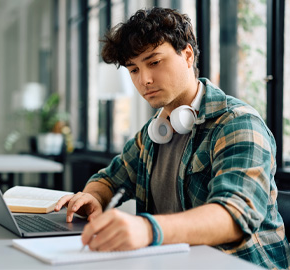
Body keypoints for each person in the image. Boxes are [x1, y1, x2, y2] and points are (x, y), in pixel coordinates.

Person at [55, 7, 289, 269]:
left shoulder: (238, 124)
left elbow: (234, 216)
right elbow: (108, 178)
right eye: (134, 69)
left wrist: (147, 229)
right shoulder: (154, 132)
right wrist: (93, 197)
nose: (145, 79)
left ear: (187, 55)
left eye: (154, 62)